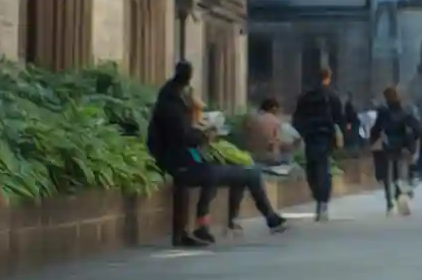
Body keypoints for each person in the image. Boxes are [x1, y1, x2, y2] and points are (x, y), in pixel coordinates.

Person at [146, 62, 289, 245]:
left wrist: (201, 133)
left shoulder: (170, 102)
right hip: (182, 163)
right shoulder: (172, 107)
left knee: (235, 172)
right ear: (187, 81)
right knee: (248, 173)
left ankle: (210, 225)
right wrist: (206, 135)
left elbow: (183, 135)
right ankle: (266, 219)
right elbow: (184, 137)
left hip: (186, 160)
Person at [292, 65, 348, 222]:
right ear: (328, 78)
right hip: (326, 135)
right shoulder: (332, 96)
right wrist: (341, 136)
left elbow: (297, 118)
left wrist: (301, 132)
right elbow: (340, 119)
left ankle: (318, 196)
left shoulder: (305, 96)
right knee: (324, 167)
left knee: (312, 166)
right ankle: (322, 202)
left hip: (310, 135)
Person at [370, 86, 422, 215]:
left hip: (388, 144)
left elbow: (377, 128)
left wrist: (373, 139)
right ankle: (400, 192)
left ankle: (390, 203)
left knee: (387, 175)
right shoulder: (405, 110)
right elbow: (418, 128)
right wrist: (412, 141)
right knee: (399, 171)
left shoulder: (384, 111)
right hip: (402, 145)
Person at [245, 98, 299, 172]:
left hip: (250, 157)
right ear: (274, 108)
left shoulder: (250, 119)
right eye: (279, 110)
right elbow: (275, 143)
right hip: (268, 159)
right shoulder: (275, 121)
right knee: (289, 158)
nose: (280, 112)